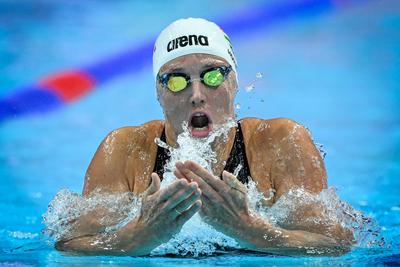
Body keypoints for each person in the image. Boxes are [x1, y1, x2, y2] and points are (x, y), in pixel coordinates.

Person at [55, 18, 354, 256]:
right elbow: (70, 246)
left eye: (212, 76)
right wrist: (138, 236)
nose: (196, 95)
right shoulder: (123, 150)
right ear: (158, 92)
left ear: (235, 81)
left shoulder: (280, 143)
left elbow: (334, 244)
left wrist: (248, 229)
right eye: (176, 80)